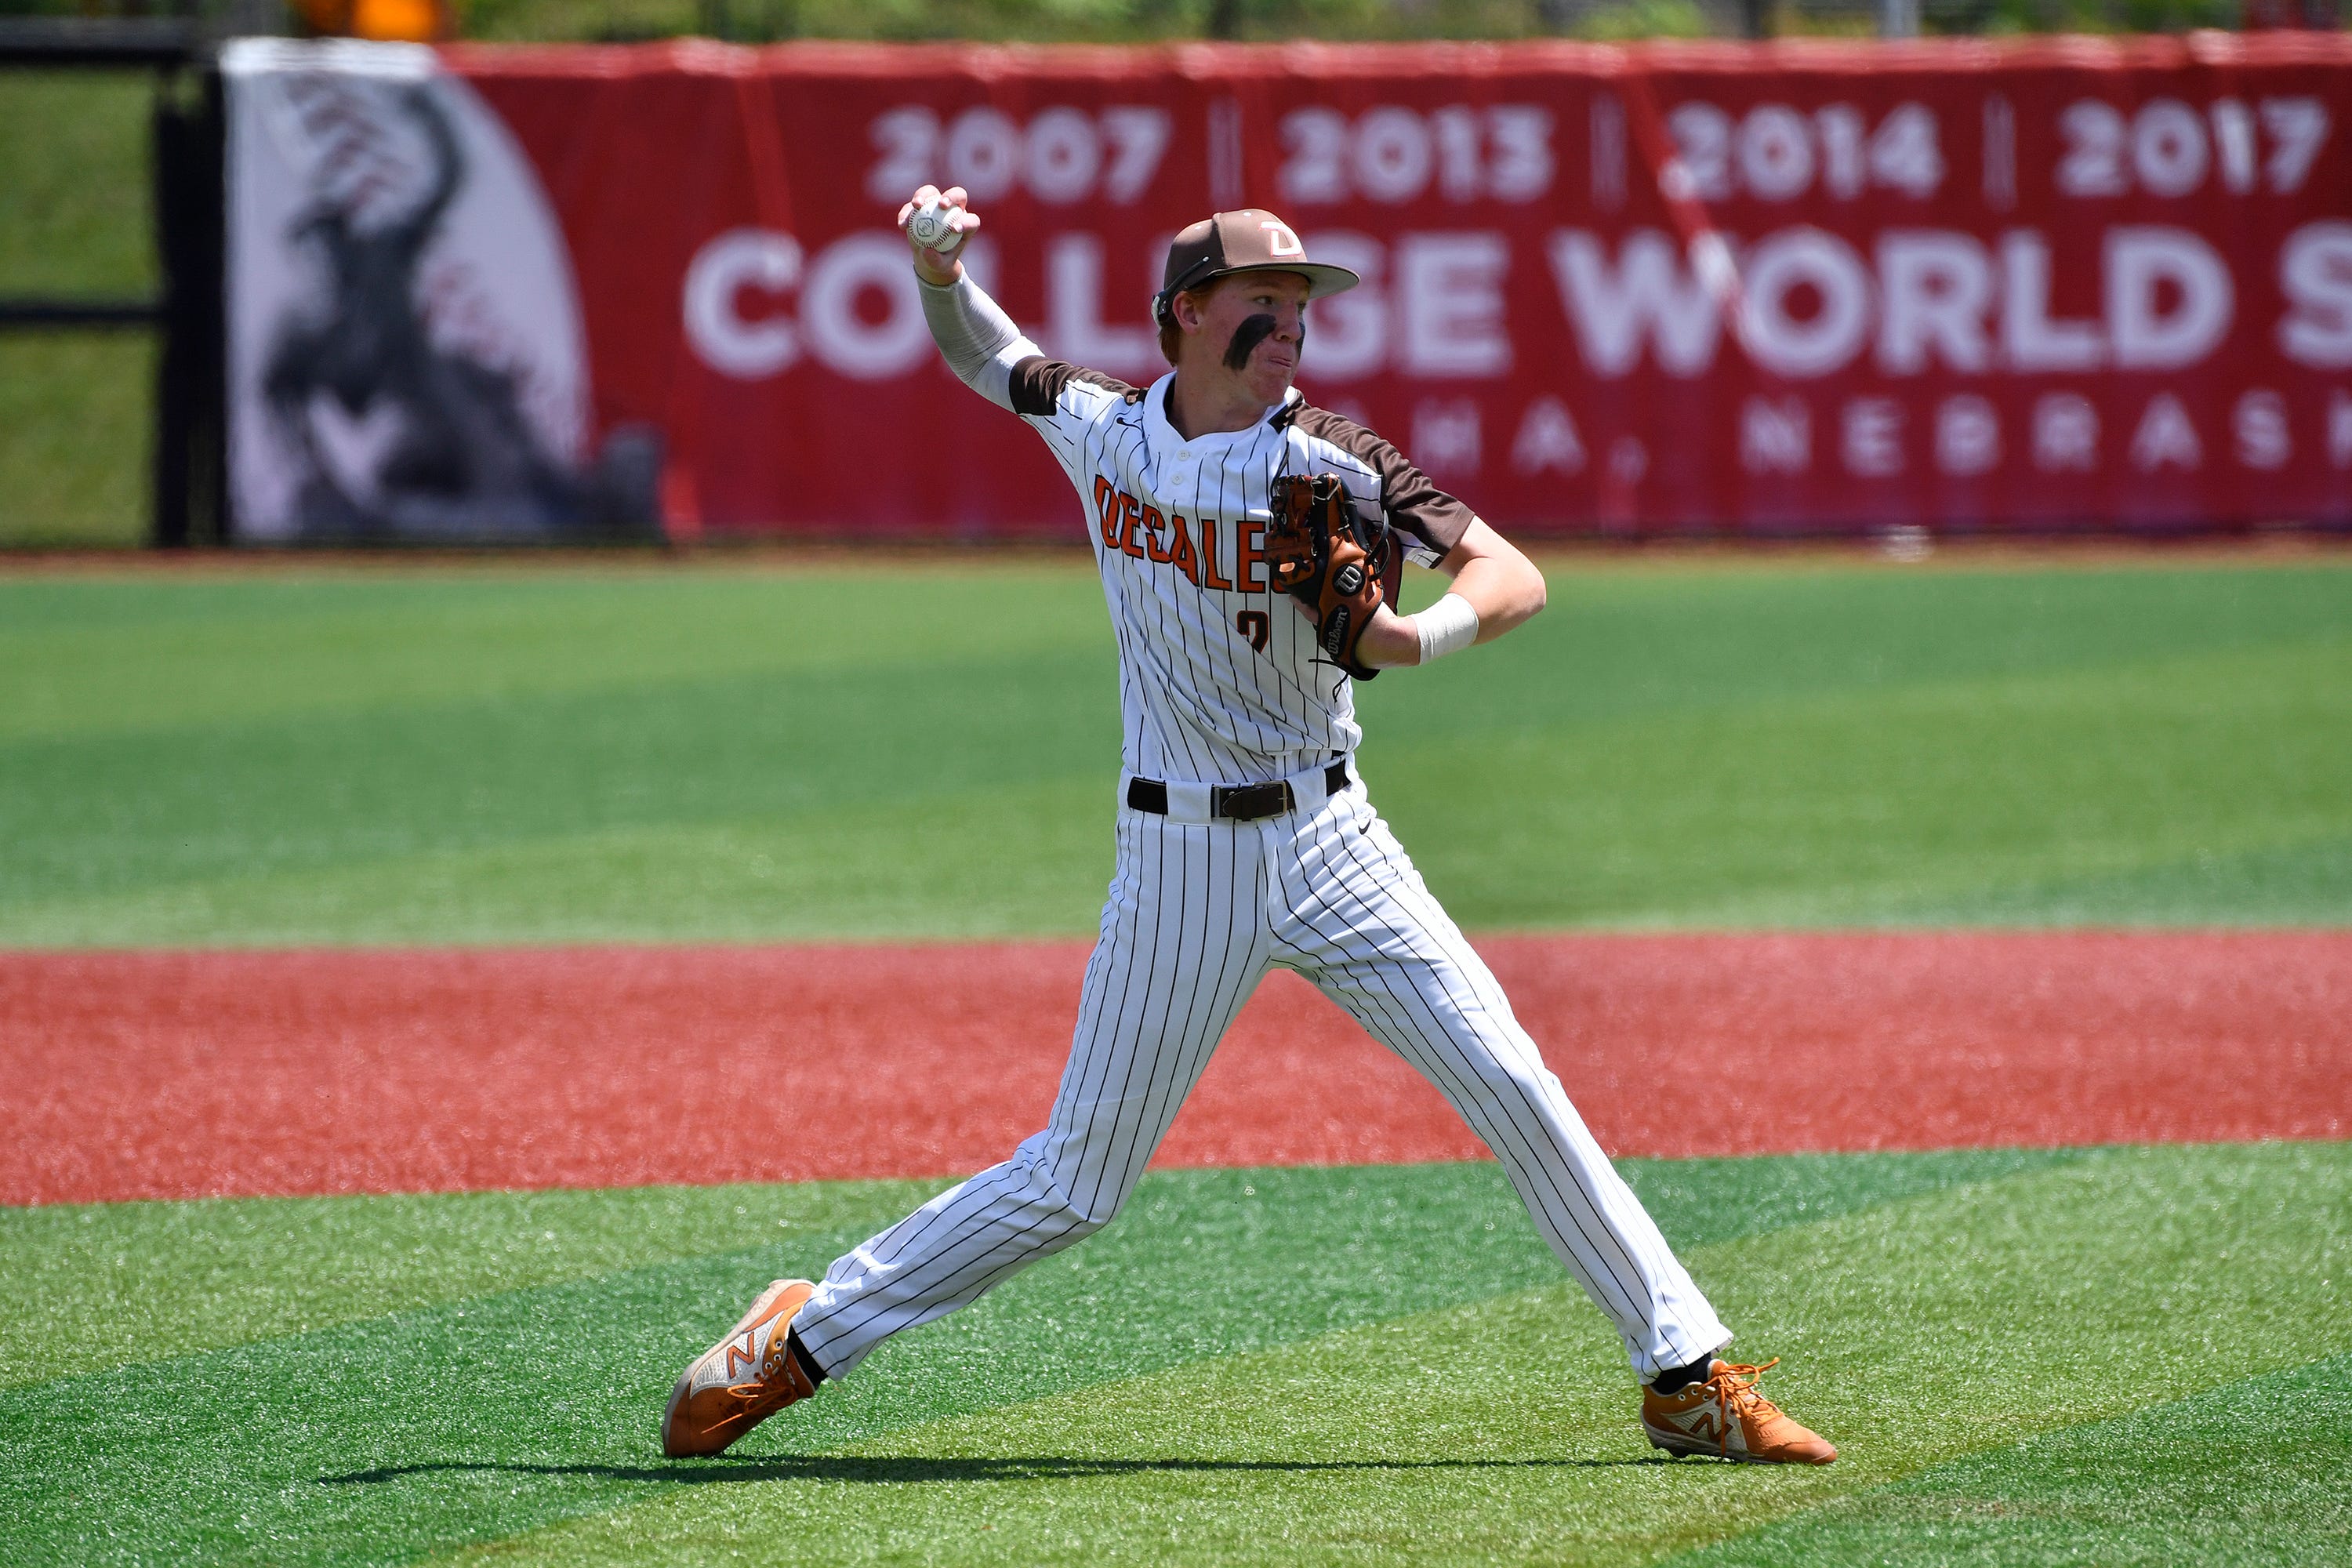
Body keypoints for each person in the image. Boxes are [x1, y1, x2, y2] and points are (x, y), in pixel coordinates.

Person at [660, 188, 1835, 1467]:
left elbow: (1514, 573)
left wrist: (1410, 638)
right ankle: (800, 1336)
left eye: (1305, 304)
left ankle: (1683, 1375)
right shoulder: (1107, 431)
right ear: (1184, 316)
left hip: (1338, 840)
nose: (1292, 324)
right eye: (1263, 302)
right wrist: (940, 274)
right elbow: (988, 357)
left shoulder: (1335, 458)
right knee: (1074, 1184)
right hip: (1181, 860)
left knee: (1512, 1084)